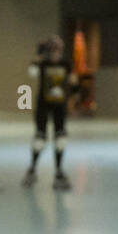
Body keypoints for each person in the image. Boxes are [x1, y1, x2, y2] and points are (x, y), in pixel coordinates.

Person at [22, 35, 76, 191]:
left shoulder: (66, 64)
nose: (55, 53)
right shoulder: (42, 64)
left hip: (60, 105)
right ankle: (32, 169)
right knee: (40, 138)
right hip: (43, 105)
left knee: (61, 138)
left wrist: (72, 99)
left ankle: (58, 172)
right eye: (52, 50)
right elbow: (31, 73)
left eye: (57, 50)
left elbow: (72, 82)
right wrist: (37, 57)